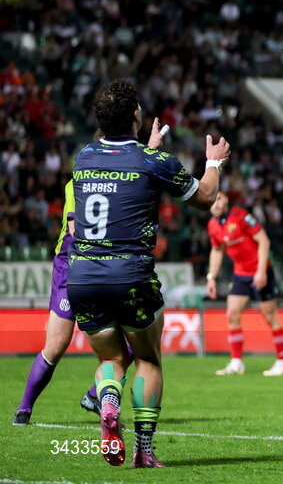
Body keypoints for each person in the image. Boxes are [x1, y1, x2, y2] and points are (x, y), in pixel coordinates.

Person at [68, 79, 228, 467]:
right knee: (148, 360)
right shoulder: (153, 161)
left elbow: (122, 169)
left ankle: (108, 403)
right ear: (137, 115)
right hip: (130, 275)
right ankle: (143, 449)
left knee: (110, 360)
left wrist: (146, 148)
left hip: (83, 276)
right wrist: (214, 162)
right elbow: (206, 198)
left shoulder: (84, 156)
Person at [12, 180, 129, 425]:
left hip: (101, 267)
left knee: (130, 345)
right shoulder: (77, 183)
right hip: (71, 268)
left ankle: (95, 396)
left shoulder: (116, 180)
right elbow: (76, 230)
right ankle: (23, 411)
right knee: (55, 346)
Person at [206, 193, 283, 377]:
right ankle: (236, 363)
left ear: (226, 199)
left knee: (269, 315)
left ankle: (282, 363)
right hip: (240, 274)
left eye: (219, 199)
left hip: (261, 271)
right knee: (232, 313)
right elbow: (217, 250)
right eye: (212, 201)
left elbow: (264, 240)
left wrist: (260, 271)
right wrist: (212, 277)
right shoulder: (213, 225)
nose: (216, 204)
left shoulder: (241, 216)